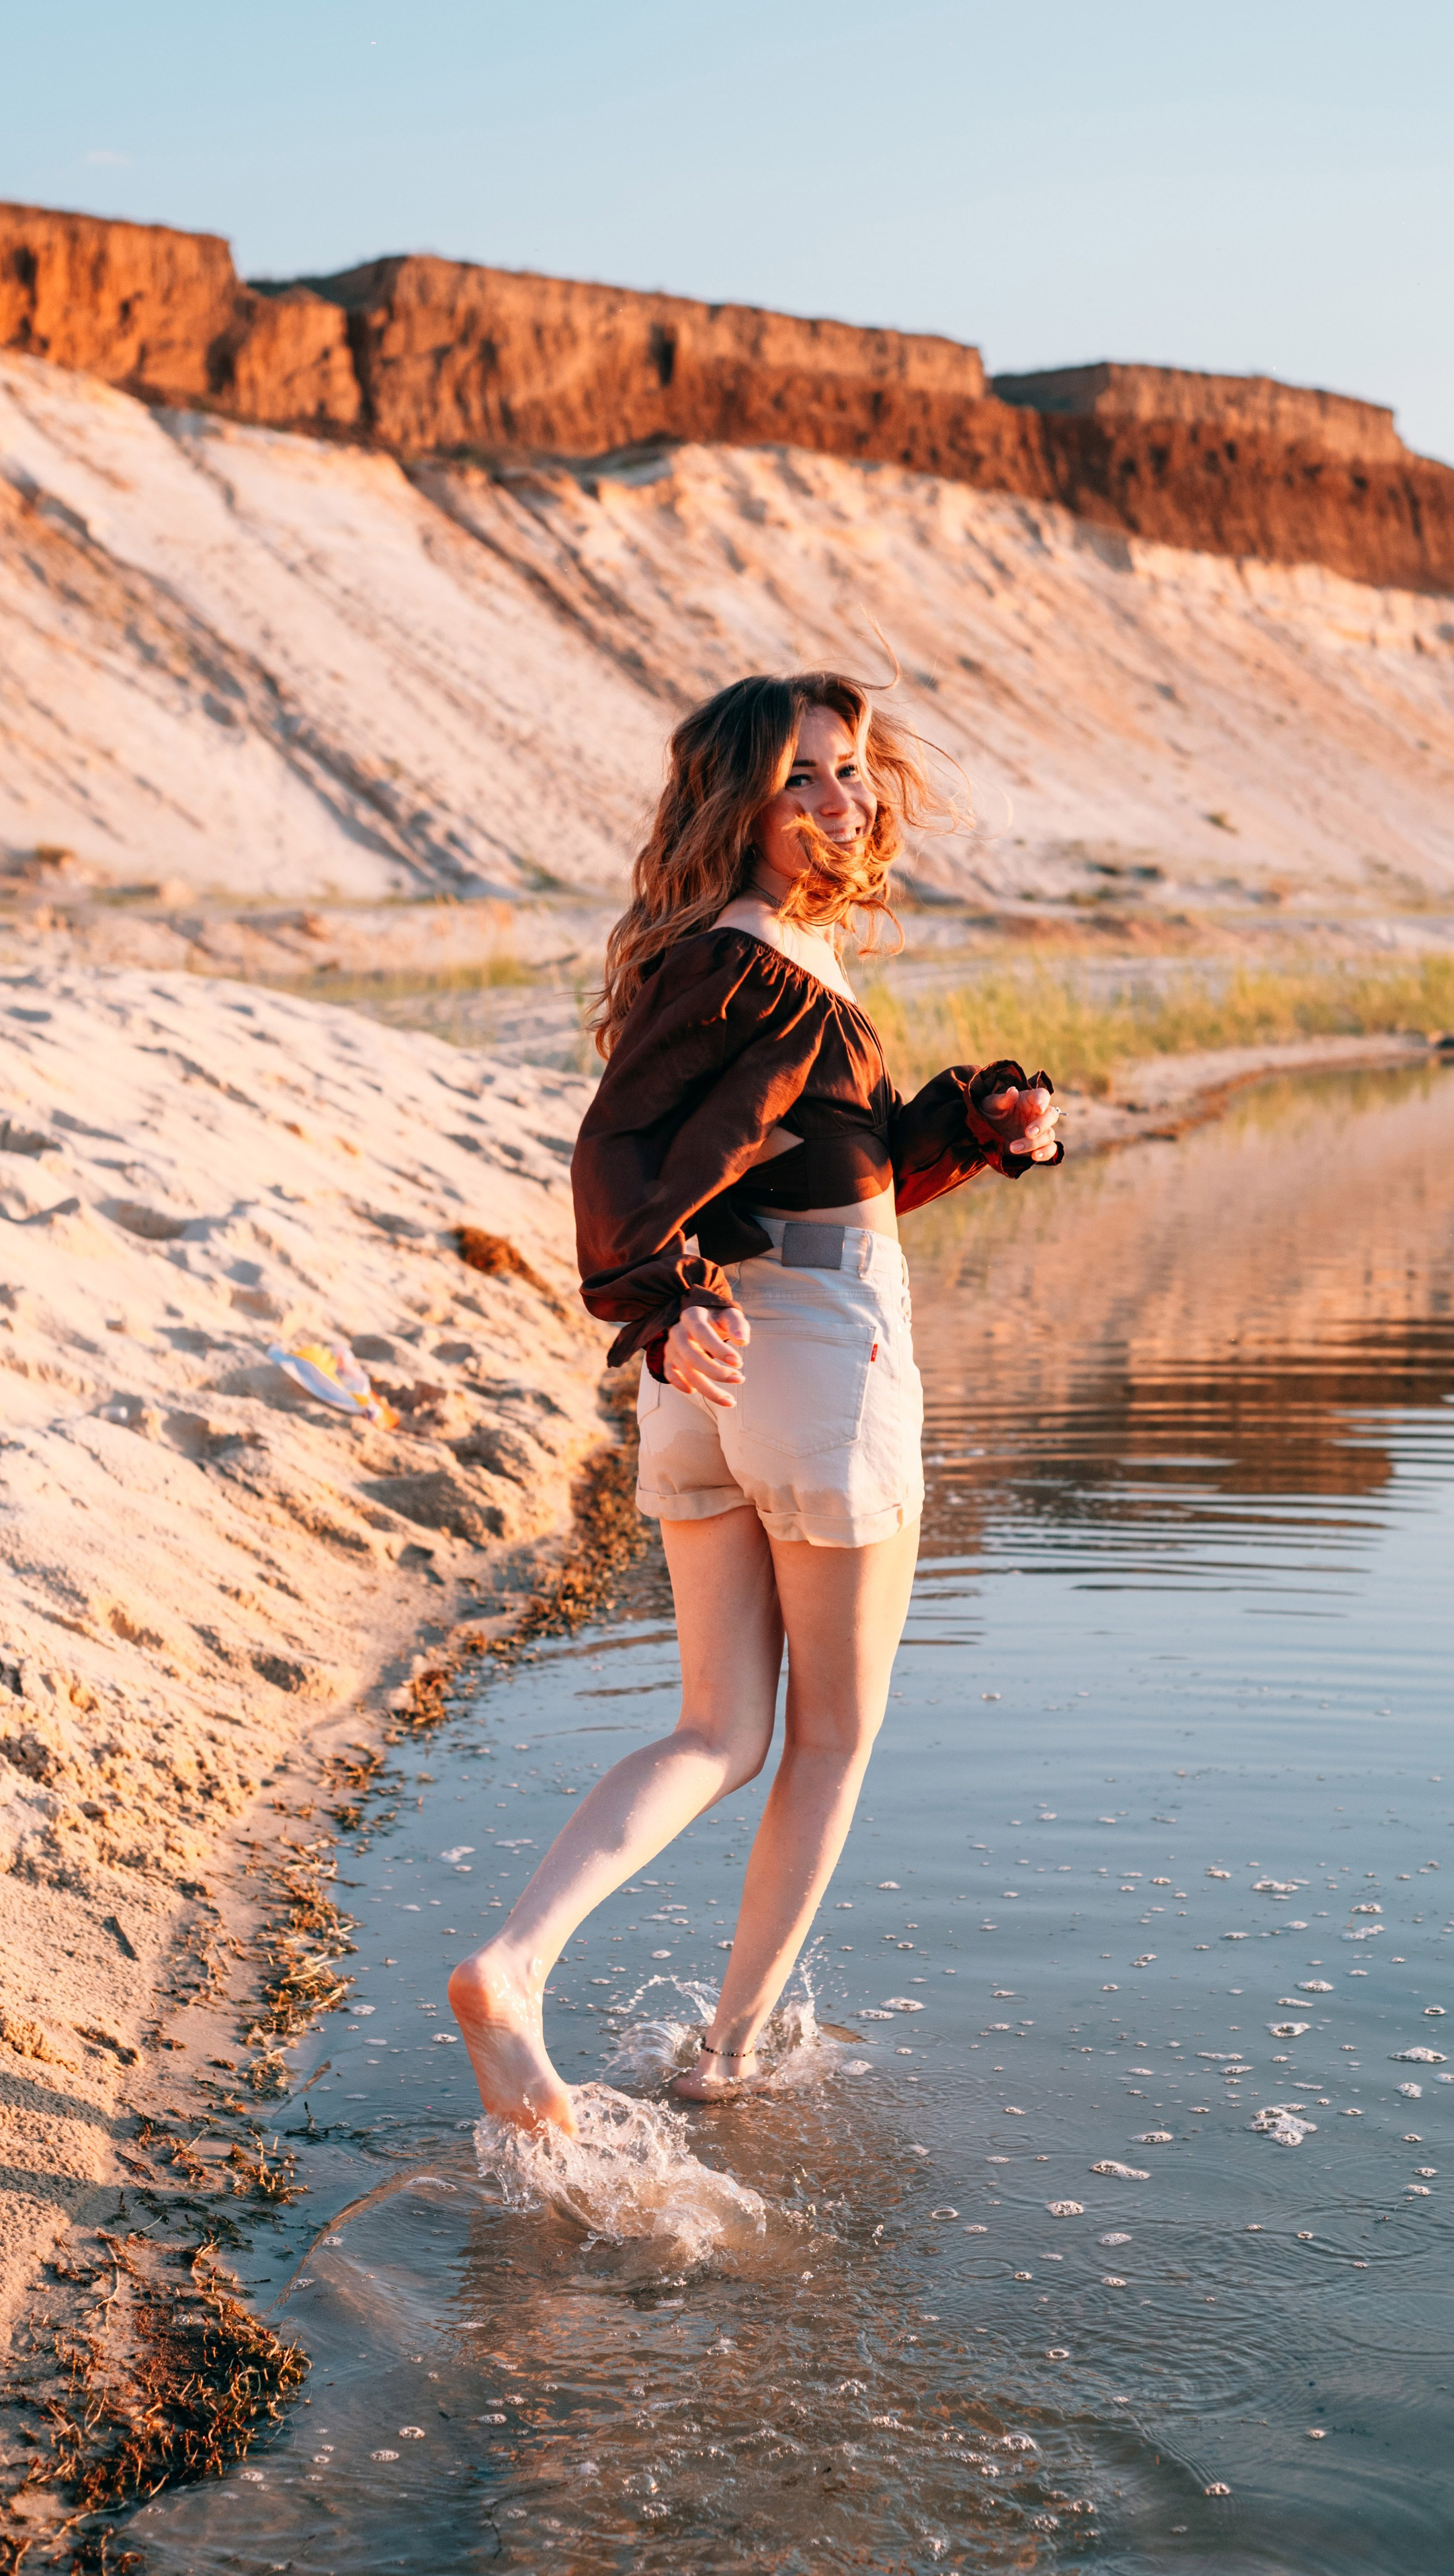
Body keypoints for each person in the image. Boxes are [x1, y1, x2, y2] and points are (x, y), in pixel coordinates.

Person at [448, 670, 1062, 2130]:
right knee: (830, 1738)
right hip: (803, 1354)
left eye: (848, 769)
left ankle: (514, 1964)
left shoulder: (749, 955)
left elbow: (811, 1165)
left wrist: (972, 1129)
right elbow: (616, 1154)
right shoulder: (751, 960)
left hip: (717, 1361)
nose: (840, 798)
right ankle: (724, 2062)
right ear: (740, 801)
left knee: (719, 1732)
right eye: (802, 776)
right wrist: (651, 1298)